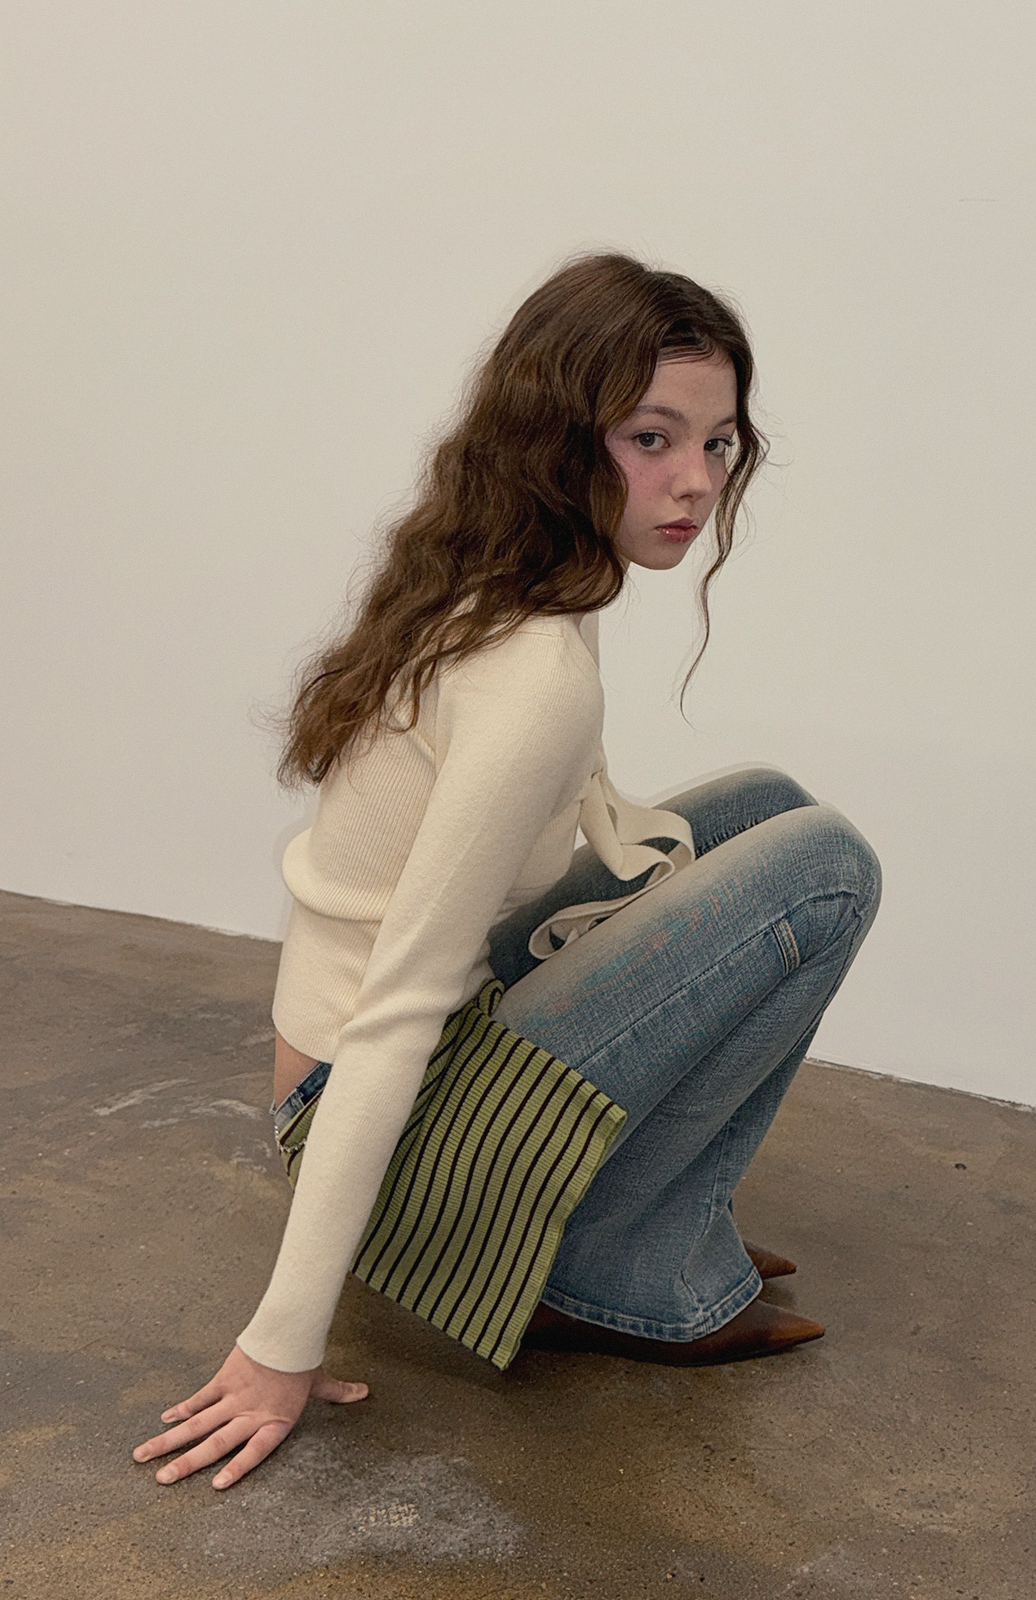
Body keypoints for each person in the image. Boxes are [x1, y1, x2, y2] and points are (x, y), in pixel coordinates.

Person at [132, 251, 882, 1492]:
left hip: (364, 1072)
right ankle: (621, 1266)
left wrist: (648, 874)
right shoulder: (532, 674)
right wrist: (281, 1343)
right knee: (829, 869)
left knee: (768, 811)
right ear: (557, 437)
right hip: (369, 1121)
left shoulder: (507, 579)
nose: (696, 480)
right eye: (651, 438)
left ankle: (658, 1214)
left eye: (718, 442)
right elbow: (398, 1011)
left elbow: (545, 826)